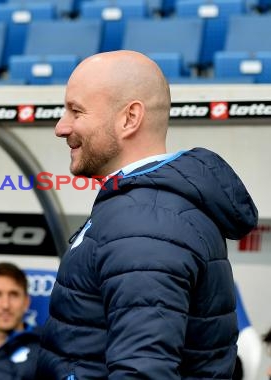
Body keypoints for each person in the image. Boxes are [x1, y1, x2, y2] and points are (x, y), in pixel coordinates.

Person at [36, 50, 258, 379]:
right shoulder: (146, 211)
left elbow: (143, 371)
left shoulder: (145, 222)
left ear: (130, 118)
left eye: (76, 111)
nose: (61, 127)